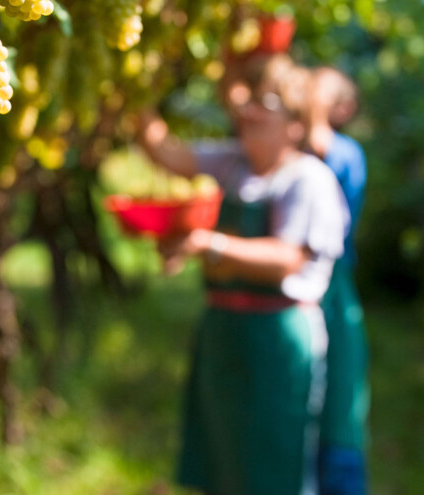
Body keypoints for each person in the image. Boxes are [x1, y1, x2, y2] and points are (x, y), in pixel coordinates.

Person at [135, 54, 349, 494]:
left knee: (274, 460)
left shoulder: (307, 180)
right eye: (248, 101)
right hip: (222, 330)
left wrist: (209, 244)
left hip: (278, 338)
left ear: (295, 122)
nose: (248, 112)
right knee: (221, 455)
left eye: (264, 103)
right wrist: (136, 94)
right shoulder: (233, 163)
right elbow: (168, 154)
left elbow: (286, 259)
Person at [307, 66, 370, 495]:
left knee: (338, 413)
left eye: (321, 87)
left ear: (343, 108)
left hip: (332, 292)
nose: (310, 86)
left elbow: (318, 142)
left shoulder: (345, 152)